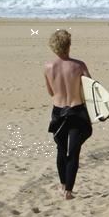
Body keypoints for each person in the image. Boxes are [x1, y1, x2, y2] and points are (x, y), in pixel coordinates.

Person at [44, 29, 92, 200]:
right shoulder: (79, 65)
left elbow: (50, 92)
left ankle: (62, 184)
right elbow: (91, 90)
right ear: (68, 45)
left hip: (58, 112)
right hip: (76, 111)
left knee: (61, 149)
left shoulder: (48, 67)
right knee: (73, 152)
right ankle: (69, 191)